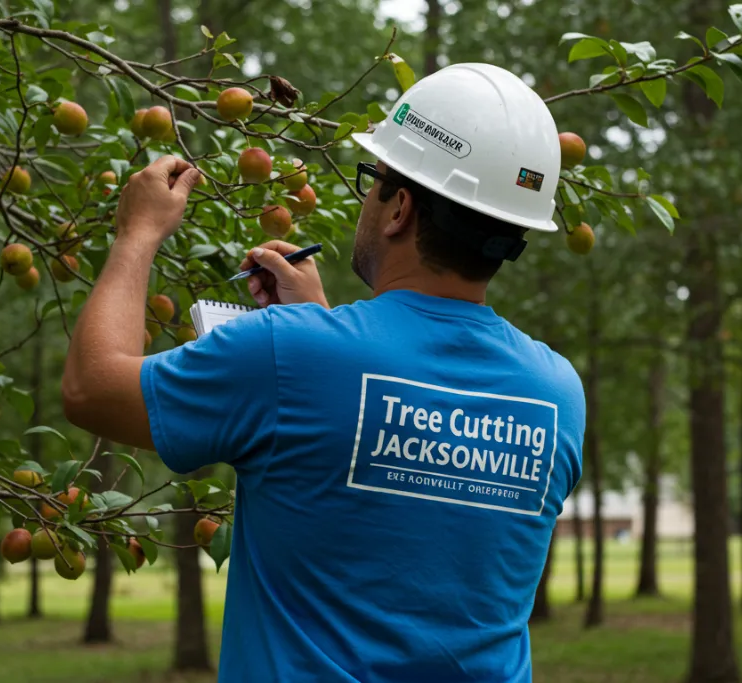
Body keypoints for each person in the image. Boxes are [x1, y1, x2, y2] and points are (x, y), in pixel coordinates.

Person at [63, 63, 585, 682]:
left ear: (400, 210)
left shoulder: (290, 356)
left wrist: (137, 233)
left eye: (376, 180)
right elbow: (413, 502)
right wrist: (321, 325)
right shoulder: (557, 392)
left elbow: (92, 387)